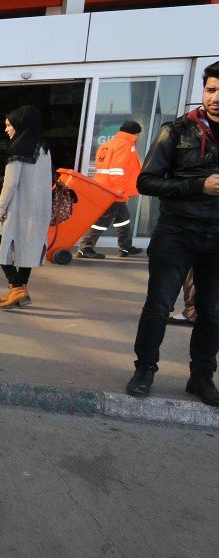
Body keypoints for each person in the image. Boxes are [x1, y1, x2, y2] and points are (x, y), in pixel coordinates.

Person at [126, 61, 219, 407]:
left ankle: (201, 377)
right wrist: (199, 185)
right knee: (158, 306)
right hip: (177, 232)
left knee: (211, 312)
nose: (215, 97)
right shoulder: (177, 131)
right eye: (211, 90)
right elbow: (145, 181)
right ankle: (145, 369)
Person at [0, 105, 53, 309]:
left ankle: (17, 288)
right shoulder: (43, 148)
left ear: (19, 125)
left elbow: (10, 184)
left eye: (9, 125)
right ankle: (20, 291)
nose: (6, 129)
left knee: (0, 249)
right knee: (26, 249)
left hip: (17, 210)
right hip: (37, 210)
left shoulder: (17, 149)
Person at [77, 121, 145, 259]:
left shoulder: (109, 144)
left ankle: (126, 247)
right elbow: (117, 169)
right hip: (114, 191)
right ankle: (85, 248)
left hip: (104, 188)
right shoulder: (126, 145)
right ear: (136, 134)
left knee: (123, 218)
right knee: (102, 220)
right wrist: (119, 188)